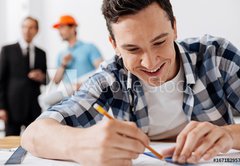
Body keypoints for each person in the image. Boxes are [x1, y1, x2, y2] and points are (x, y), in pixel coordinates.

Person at [21, 0, 240, 165]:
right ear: (114, 45)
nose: (151, 62)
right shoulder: (110, 77)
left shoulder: (216, 55)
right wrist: (78, 144)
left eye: (160, 42)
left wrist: (230, 135)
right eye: (133, 49)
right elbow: (33, 134)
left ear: (174, 27)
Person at [0, 16, 47, 136]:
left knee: (34, 143)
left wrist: (41, 77)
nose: (27, 30)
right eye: (24, 27)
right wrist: (1, 107)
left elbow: (46, 80)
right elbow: (1, 80)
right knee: (11, 145)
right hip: (12, 107)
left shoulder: (41, 53)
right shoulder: (7, 50)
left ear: (36, 31)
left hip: (33, 108)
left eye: (31, 27)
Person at [52, 15, 103, 90]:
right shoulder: (61, 55)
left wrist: (84, 84)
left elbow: (102, 70)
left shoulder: (89, 47)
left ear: (73, 28)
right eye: (58, 29)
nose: (59, 32)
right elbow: (56, 81)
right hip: (69, 99)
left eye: (62, 27)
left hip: (88, 95)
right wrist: (63, 64)